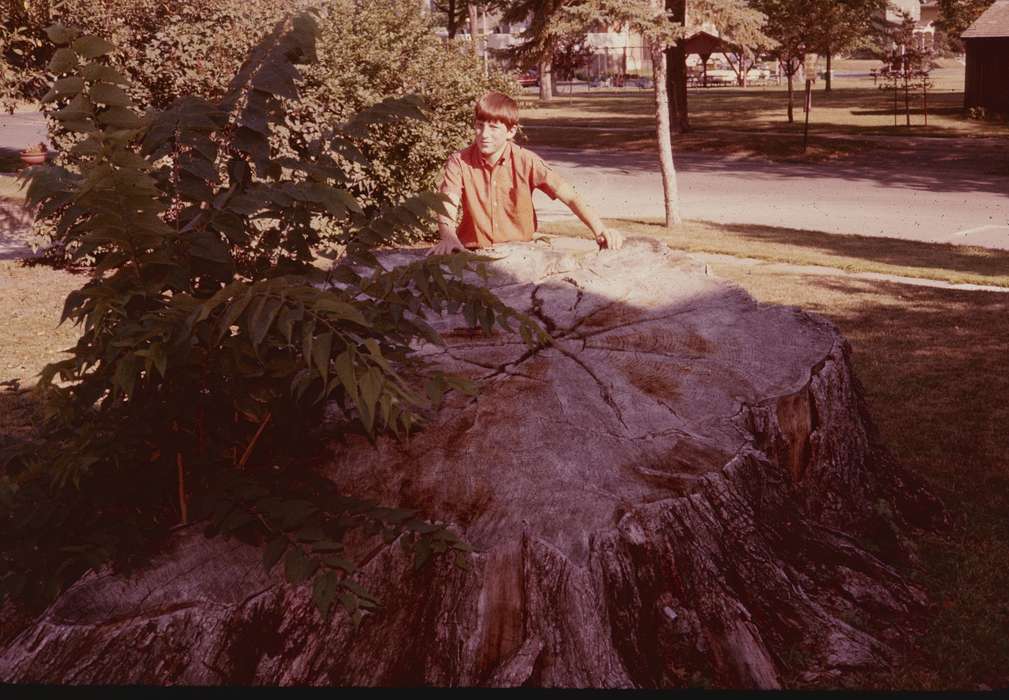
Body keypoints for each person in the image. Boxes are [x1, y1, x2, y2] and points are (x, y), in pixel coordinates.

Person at [427, 91, 624, 256]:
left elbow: (571, 197)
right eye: (479, 126)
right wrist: (448, 236)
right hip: (472, 252)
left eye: (493, 128)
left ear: (511, 131)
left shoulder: (527, 161)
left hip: (519, 254)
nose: (484, 134)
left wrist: (600, 230)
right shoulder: (459, 161)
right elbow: (447, 201)